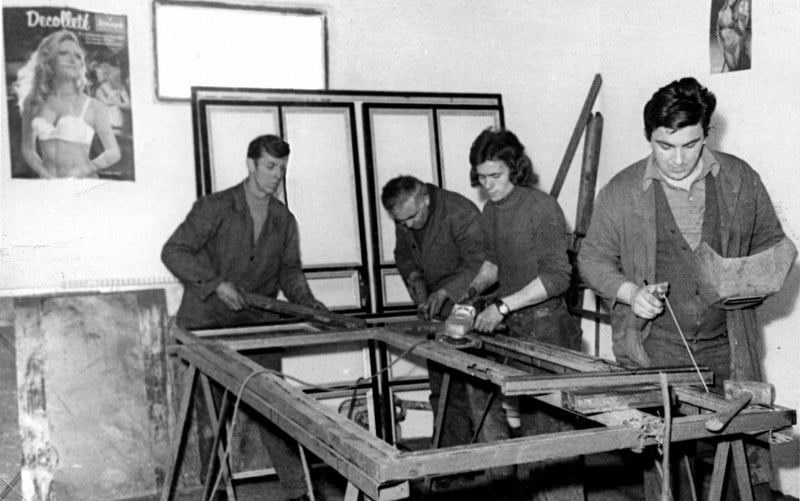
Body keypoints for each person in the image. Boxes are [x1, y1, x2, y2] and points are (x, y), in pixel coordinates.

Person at [578, 77, 795, 500]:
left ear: (706, 133)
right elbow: (591, 259)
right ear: (649, 138)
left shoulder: (739, 179)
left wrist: (744, 280)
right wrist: (630, 293)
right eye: (665, 146)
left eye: (690, 144)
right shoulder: (622, 191)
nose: (677, 159)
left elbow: (774, 246)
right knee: (668, 475)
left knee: (743, 469)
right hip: (655, 351)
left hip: (729, 349)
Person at [162, 134, 325, 501]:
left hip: (256, 324)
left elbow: (290, 271)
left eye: (282, 169)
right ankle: (216, 492)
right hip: (208, 324)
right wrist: (216, 284)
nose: (276, 175)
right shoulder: (215, 207)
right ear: (251, 165)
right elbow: (174, 251)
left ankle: (299, 492)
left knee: (276, 409)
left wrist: (308, 303)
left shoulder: (283, 219)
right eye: (270, 166)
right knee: (212, 417)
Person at [465, 128, 584, 500]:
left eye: (496, 176)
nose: (489, 186)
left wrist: (502, 306)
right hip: (514, 324)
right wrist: (470, 294)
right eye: (482, 177)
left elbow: (557, 277)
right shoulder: (490, 211)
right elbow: (493, 264)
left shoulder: (541, 208)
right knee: (522, 425)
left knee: (550, 433)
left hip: (548, 326)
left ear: (515, 169)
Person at [380, 175, 512, 482]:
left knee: (479, 392)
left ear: (425, 197)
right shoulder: (406, 215)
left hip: (475, 303)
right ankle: (450, 465)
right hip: (440, 312)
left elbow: (481, 264)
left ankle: (503, 474)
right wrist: (414, 278)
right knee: (443, 389)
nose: (408, 225)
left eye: (412, 217)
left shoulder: (460, 212)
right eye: (401, 221)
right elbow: (403, 255)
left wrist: (444, 293)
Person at [14, 30, 120, 178]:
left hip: (82, 184)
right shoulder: (33, 102)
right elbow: (28, 149)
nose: (72, 60)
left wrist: (86, 169)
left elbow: (114, 152)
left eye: (78, 56)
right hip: (47, 185)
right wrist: (44, 174)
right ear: (49, 59)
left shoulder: (93, 106)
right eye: (63, 53)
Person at [716, 0, 751, 72]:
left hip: (736, 46)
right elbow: (718, 32)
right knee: (732, 69)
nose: (733, 1)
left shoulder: (736, 13)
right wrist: (721, 46)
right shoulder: (720, 13)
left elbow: (742, 32)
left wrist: (742, 21)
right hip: (727, 48)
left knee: (736, 69)